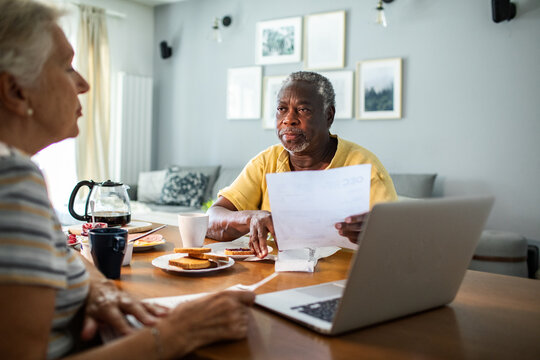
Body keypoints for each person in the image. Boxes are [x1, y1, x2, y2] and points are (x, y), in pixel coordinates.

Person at [0, 1, 254, 359]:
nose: (84, 84)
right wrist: (180, 332)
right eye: (66, 66)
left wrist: (99, 287)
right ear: (15, 91)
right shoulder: (12, 179)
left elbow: (66, 254)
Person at [207, 71, 397, 257]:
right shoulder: (266, 162)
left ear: (328, 116)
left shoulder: (364, 167)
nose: (288, 119)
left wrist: (377, 234)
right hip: (274, 278)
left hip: (342, 280)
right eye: (282, 109)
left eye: (303, 110)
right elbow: (210, 219)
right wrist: (249, 218)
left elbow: (398, 240)